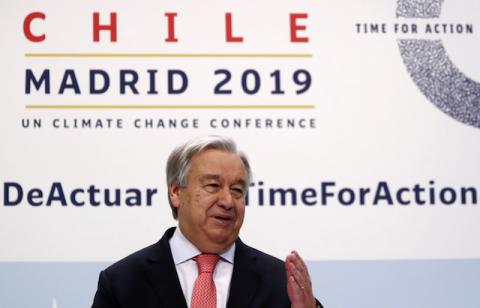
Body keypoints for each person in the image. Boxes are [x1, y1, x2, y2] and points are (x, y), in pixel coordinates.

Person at [92, 135, 323, 308]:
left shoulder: (280, 282)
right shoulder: (122, 283)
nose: (227, 201)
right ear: (175, 192)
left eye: (237, 190)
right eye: (213, 186)